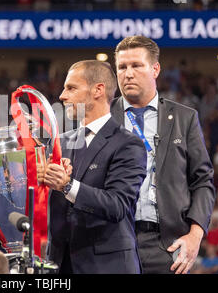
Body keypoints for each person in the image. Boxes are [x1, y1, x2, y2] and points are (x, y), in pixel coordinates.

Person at [111, 35, 216, 274]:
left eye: (136, 65)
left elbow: (203, 181)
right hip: (114, 244)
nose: (128, 73)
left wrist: (195, 235)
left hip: (167, 245)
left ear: (155, 69)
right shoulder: (103, 117)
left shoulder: (184, 118)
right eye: (122, 67)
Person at [44, 60, 147, 274]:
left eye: (71, 88)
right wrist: (37, 179)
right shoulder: (59, 144)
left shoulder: (128, 144)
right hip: (59, 266)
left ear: (98, 90)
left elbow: (117, 205)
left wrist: (66, 185)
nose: (62, 95)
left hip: (107, 267)